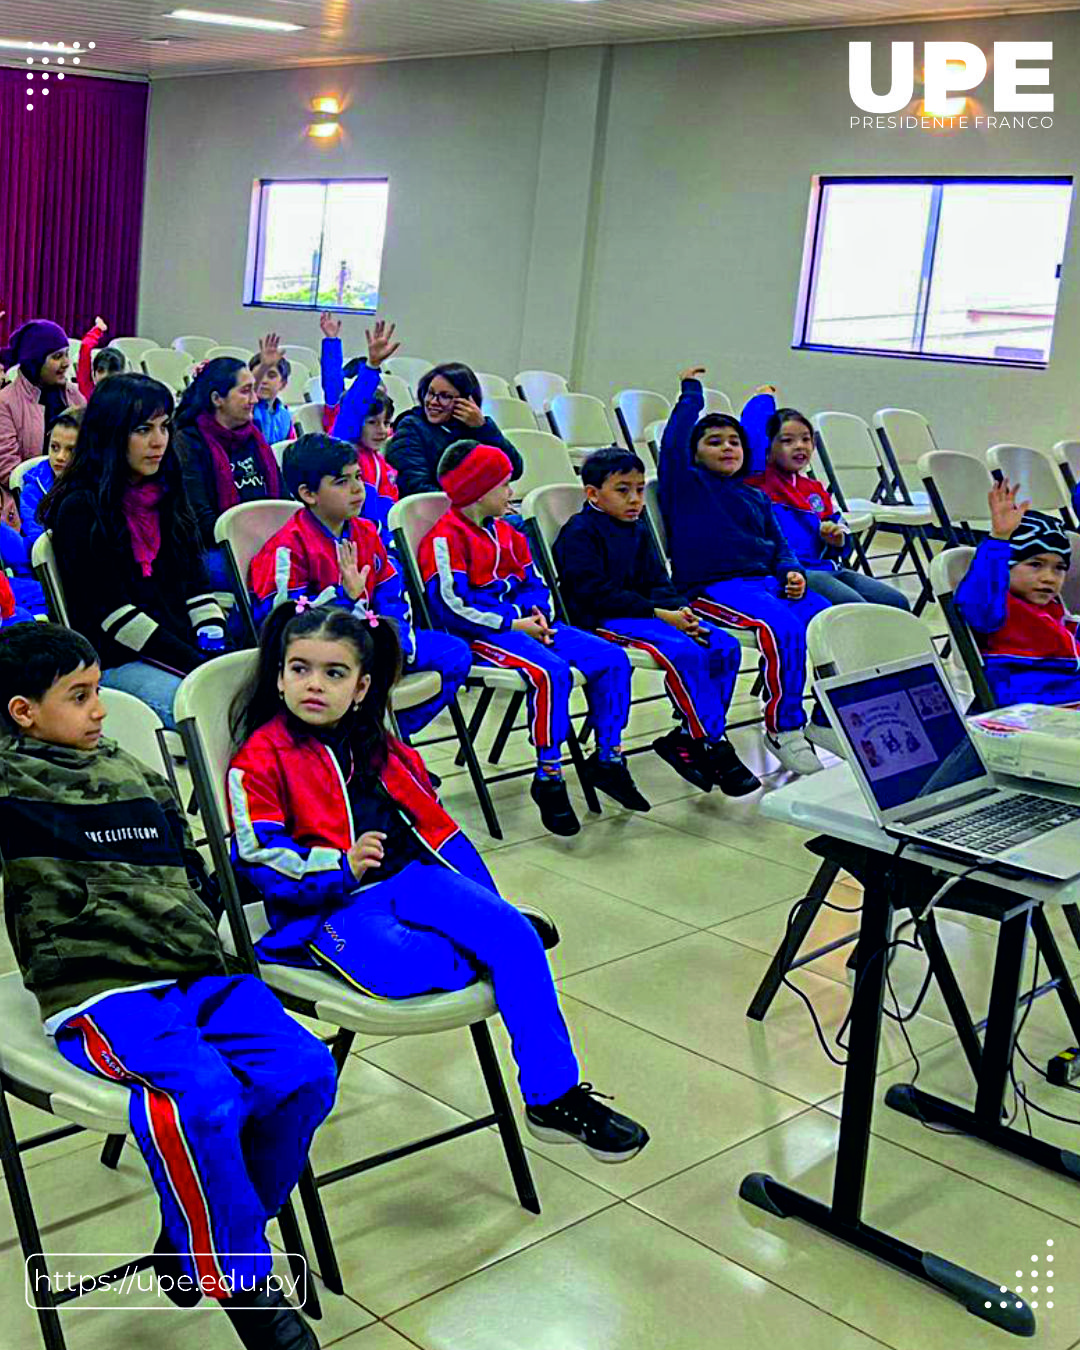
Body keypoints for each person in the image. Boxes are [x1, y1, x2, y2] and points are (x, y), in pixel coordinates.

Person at [0, 621, 333, 1349]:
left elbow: (191, 864)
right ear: (22, 712)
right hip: (99, 989)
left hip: (192, 967)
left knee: (306, 1071)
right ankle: (242, 1279)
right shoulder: (7, 779)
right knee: (206, 1097)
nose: (99, 709)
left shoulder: (128, 766)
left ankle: (199, 1237)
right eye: (79, 696)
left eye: (98, 690)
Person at [229, 601, 649, 1162]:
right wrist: (338, 865)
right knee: (410, 966)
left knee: (516, 938)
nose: (314, 684)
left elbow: (433, 822)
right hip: (329, 904)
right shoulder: (260, 757)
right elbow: (256, 852)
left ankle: (554, 1095)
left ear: (360, 687)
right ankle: (494, 953)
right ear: (279, 678)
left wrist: (488, 903)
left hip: (413, 879)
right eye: (299, 668)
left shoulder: (375, 741)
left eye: (334, 673)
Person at [418, 440, 649, 834]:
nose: (511, 493)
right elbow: (449, 604)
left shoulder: (511, 533)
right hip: (481, 633)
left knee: (612, 659)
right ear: (477, 490)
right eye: (504, 484)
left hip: (530, 625)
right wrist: (512, 622)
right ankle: (549, 774)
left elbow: (537, 583)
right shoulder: (445, 539)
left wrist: (539, 615)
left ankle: (609, 756)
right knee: (551, 673)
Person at [554, 447, 760, 796]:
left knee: (723, 645)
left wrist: (683, 612)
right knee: (684, 652)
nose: (635, 499)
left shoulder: (637, 525)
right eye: (623, 490)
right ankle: (714, 743)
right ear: (592, 494)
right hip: (603, 619)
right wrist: (659, 615)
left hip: (650, 613)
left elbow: (658, 581)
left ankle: (687, 736)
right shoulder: (579, 533)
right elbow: (594, 594)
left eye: (638, 489)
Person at [658, 368, 830, 776]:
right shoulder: (686, 485)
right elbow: (674, 439)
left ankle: (826, 720)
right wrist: (690, 394)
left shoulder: (754, 494)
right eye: (714, 442)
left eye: (734, 441)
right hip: (716, 587)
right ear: (694, 452)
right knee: (783, 629)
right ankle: (784, 727)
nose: (727, 448)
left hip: (766, 583)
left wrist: (792, 571)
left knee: (829, 621)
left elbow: (781, 546)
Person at [250, 433, 471, 739]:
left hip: (372, 640)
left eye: (358, 476)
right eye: (341, 481)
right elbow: (285, 623)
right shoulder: (288, 548)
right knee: (357, 676)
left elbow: (392, 595)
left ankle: (385, 740)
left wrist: (396, 643)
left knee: (456, 654)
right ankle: (370, 748)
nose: (357, 489)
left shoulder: (368, 532)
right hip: (326, 654)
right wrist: (344, 597)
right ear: (308, 493)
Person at [42, 374, 229, 728]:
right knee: (212, 712)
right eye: (143, 430)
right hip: (116, 657)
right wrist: (198, 665)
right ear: (112, 434)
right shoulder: (81, 507)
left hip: (172, 645)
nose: (159, 441)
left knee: (249, 692)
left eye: (164, 427)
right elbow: (114, 616)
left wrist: (215, 646)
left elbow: (196, 586)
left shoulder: (166, 492)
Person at [744, 401, 910, 611]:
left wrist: (838, 539)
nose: (799, 446)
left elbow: (842, 533)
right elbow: (751, 435)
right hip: (792, 571)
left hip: (827, 566)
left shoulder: (815, 489)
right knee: (857, 608)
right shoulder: (759, 482)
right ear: (768, 447)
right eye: (787, 441)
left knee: (897, 603)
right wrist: (763, 399)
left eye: (806, 439)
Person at [955, 480, 1080, 705]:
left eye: (1059, 568)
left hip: (1063, 688)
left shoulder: (1047, 606)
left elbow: (1067, 636)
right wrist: (999, 540)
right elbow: (977, 600)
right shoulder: (995, 607)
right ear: (1005, 567)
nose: (1048, 577)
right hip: (1028, 701)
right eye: (1035, 564)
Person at [173, 357, 287, 587]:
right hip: (217, 547)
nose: (255, 399)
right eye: (245, 391)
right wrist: (255, 546)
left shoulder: (254, 437)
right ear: (217, 399)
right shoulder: (189, 442)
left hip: (265, 542)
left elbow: (283, 499)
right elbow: (202, 521)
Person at [387, 361, 523, 498]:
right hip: (435, 514)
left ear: (467, 402)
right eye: (430, 393)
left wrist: (483, 428)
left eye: (445, 396)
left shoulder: (473, 428)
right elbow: (415, 487)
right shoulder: (411, 427)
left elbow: (513, 470)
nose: (433, 402)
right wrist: (470, 505)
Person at [0, 320, 86, 524]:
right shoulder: (5, 402)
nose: (67, 362)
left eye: (66, 353)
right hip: (27, 501)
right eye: (57, 356)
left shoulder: (74, 395)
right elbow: (8, 470)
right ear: (35, 362)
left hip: (74, 492)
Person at [324, 319, 402, 542]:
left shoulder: (382, 463)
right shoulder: (345, 445)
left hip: (382, 538)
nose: (382, 430)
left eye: (386, 423)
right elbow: (352, 402)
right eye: (372, 422)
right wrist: (371, 366)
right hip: (357, 540)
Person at [20, 405, 83, 550]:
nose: (60, 457)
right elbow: (37, 541)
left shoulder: (94, 483)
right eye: (54, 447)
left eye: (71, 450)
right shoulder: (33, 487)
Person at [249, 332, 294, 444]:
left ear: (283, 384)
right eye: (260, 374)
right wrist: (264, 366)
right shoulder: (245, 408)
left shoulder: (286, 416)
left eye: (271, 375)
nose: (264, 381)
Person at [75, 316, 127, 399]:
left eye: (112, 371)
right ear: (94, 372)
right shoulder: (87, 390)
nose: (105, 376)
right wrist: (98, 330)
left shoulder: (126, 397)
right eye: (100, 371)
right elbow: (85, 346)